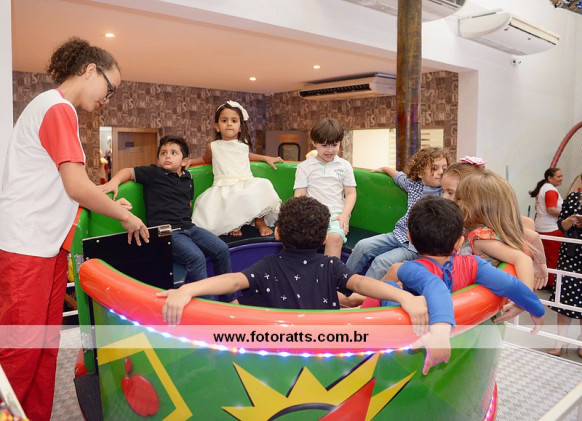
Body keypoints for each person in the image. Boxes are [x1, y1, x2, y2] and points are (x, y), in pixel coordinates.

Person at [0, 37, 149, 421]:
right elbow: (75, 185)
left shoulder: (54, 109)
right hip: (27, 247)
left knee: (43, 349)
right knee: (20, 351)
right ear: (89, 70)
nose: (108, 99)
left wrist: (107, 200)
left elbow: (62, 186)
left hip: (46, 247)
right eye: (109, 88)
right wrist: (125, 217)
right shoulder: (56, 107)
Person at [157, 196, 428, 329]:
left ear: (277, 233)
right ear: (324, 237)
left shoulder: (268, 266)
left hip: (280, 348)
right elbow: (362, 283)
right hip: (324, 348)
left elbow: (233, 280)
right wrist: (404, 296)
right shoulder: (330, 265)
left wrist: (187, 289)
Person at [383, 196, 545, 375]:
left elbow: (435, 289)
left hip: (412, 342)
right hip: (462, 342)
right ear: (459, 242)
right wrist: (536, 309)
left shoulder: (409, 269)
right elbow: (510, 284)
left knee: (389, 288)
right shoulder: (473, 264)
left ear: (410, 238)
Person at [101, 135, 236, 302]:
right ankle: (205, 304)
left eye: (173, 153)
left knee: (222, 249)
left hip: (189, 228)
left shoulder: (188, 177)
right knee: (196, 257)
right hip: (167, 232)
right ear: (158, 158)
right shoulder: (154, 173)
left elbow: (188, 203)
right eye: (163, 153)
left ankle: (229, 298)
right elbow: (128, 171)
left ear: (184, 161)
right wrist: (114, 182)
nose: (167, 156)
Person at [441, 159, 548, 290]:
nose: (444, 197)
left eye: (453, 194)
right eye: (443, 191)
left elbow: (527, 245)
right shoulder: (478, 228)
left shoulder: (481, 237)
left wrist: (538, 269)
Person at [345, 147, 449, 280]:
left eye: (445, 169)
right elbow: (398, 177)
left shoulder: (444, 194)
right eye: (435, 168)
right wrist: (385, 169)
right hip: (398, 235)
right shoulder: (413, 185)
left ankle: (362, 292)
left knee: (381, 262)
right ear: (420, 173)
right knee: (362, 246)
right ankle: (344, 282)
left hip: (414, 247)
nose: (441, 172)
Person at [190, 100, 282, 237]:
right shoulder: (213, 146)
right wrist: (191, 161)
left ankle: (260, 221)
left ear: (240, 127)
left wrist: (266, 158)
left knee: (263, 185)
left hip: (244, 181)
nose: (229, 123)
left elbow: (247, 156)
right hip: (224, 185)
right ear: (217, 126)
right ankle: (233, 224)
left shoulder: (243, 145)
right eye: (224, 120)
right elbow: (206, 159)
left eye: (234, 121)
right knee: (228, 198)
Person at [293, 118, 357, 258]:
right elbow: (299, 195)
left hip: (336, 215)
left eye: (334, 145)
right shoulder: (304, 167)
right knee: (301, 237)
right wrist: (302, 217)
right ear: (314, 143)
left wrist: (345, 215)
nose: (330, 150)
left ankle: (330, 270)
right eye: (324, 145)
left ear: (340, 142)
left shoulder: (344, 166)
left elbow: (351, 193)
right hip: (311, 214)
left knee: (334, 237)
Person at [548, 191, 582, 357]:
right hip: (570, 254)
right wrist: (570, 221)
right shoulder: (574, 197)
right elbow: (561, 225)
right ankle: (559, 340)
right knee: (564, 297)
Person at [529, 168, 564, 287]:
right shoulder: (550, 190)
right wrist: (568, 214)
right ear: (549, 178)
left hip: (542, 227)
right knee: (553, 258)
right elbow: (551, 210)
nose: (561, 179)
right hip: (551, 229)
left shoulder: (543, 188)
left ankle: (544, 282)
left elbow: (538, 208)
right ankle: (550, 283)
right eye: (558, 176)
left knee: (544, 258)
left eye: (561, 176)